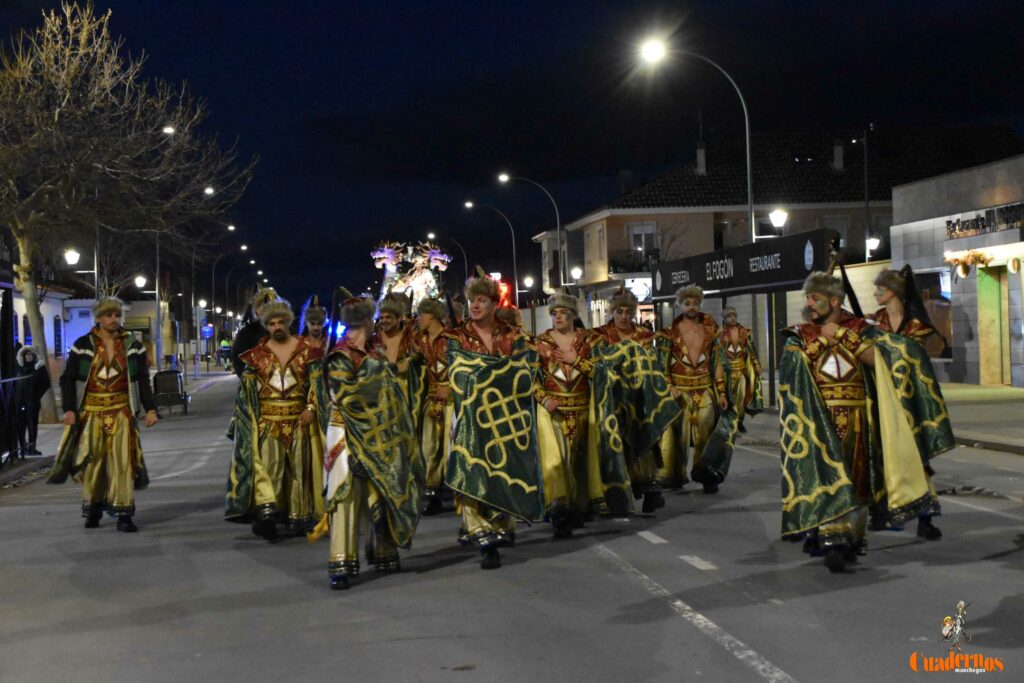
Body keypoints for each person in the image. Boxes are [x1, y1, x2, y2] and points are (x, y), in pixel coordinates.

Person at [778, 270, 953, 573]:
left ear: (834, 300)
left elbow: (884, 359)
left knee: (858, 476)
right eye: (807, 298)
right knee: (826, 474)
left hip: (860, 414)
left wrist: (843, 335)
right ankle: (832, 536)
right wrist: (821, 340)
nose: (810, 303)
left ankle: (851, 536)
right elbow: (793, 364)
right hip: (819, 416)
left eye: (815, 297)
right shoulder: (801, 332)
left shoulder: (862, 327)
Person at [310, 289, 423, 590]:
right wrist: (381, 371)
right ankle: (341, 560)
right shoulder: (339, 356)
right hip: (345, 433)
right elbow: (347, 395)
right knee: (346, 495)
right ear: (365, 322)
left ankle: (385, 551)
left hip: (378, 434)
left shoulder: (373, 353)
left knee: (383, 488)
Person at [444, 268, 544, 569]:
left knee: (505, 468)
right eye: (471, 300)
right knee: (469, 472)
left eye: (482, 300)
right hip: (468, 416)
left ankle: (501, 528)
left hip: (506, 417)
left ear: (494, 304)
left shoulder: (512, 336)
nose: (475, 305)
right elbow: (459, 374)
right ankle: (479, 534)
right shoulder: (456, 338)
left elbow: (526, 371)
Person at [47, 299, 158, 532]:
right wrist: (68, 409)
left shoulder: (132, 345)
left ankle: (124, 514)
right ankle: (94, 509)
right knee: (94, 462)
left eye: (116, 315)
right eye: (108, 315)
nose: (113, 319)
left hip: (121, 412)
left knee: (122, 462)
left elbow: (142, 380)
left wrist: (150, 409)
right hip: (92, 413)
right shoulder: (82, 345)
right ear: (98, 317)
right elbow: (67, 379)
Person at [225, 299, 324, 540]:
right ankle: (268, 514)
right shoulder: (256, 355)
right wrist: (249, 420)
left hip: (299, 420)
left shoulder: (306, 350)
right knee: (270, 471)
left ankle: (299, 517)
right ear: (266, 325)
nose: (276, 326)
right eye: (271, 323)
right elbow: (247, 393)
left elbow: (316, 382)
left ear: (288, 322)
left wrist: (311, 406)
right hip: (268, 423)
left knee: (299, 470)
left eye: (281, 322)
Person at [870, 266, 950, 540]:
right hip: (882, 400)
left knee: (917, 460)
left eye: (878, 289)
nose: (874, 293)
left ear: (891, 292)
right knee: (883, 458)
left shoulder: (916, 328)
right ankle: (886, 511)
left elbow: (918, 366)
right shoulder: (874, 324)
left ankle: (925, 518)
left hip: (909, 403)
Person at [590, 285, 665, 513]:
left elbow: (653, 364)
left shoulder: (643, 335)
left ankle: (649, 488)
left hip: (639, 397)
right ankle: (616, 493)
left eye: (627, 312)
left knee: (644, 441)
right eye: (619, 311)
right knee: (614, 444)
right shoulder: (598, 336)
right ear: (611, 312)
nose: (623, 316)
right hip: (611, 399)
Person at [656, 285, 729, 493]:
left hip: (704, 389)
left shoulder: (710, 328)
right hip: (679, 390)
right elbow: (662, 364)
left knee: (707, 428)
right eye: (687, 303)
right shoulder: (670, 333)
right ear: (680, 305)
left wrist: (721, 392)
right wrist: (669, 386)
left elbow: (717, 362)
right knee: (676, 435)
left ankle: (705, 472)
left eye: (695, 302)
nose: (692, 306)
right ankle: (673, 474)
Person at [534, 288, 595, 537]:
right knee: (556, 463)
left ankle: (579, 508)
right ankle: (559, 511)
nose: (558, 318)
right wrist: (544, 399)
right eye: (555, 313)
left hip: (583, 409)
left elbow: (600, 372)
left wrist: (575, 360)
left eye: (563, 313)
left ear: (572, 316)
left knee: (580, 463)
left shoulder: (588, 341)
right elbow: (528, 379)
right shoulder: (539, 343)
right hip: (552, 413)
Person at [411, 297, 451, 516]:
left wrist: (452, 387)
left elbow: (465, 367)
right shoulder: (421, 340)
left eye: (421, 315)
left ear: (432, 316)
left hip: (453, 401)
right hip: (431, 400)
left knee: (450, 447)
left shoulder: (453, 338)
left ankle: (456, 491)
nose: (419, 319)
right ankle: (431, 494)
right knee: (429, 448)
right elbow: (412, 361)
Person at [719, 307, 762, 433]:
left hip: (742, 370)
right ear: (724, 319)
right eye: (729, 316)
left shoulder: (744, 332)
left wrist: (757, 365)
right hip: (727, 373)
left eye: (734, 316)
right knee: (728, 398)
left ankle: (739, 421)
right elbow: (717, 354)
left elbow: (751, 351)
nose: (732, 318)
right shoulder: (720, 334)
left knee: (741, 397)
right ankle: (729, 422)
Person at [231, 287, 280, 378]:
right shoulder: (246, 334)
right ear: (257, 312)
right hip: (257, 387)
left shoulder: (287, 332)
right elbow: (239, 362)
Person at [14, 345, 50, 456]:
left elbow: (46, 383)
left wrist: (36, 396)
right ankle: (23, 447)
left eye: (30, 354)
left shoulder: (39, 367)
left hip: (33, 401)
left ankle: (32, 447)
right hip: (20, 401)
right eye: (27, 354)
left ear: (34, 355)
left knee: (32, 425)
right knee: (21, 425)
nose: (29, 356)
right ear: (23, 356)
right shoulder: (19, 368)